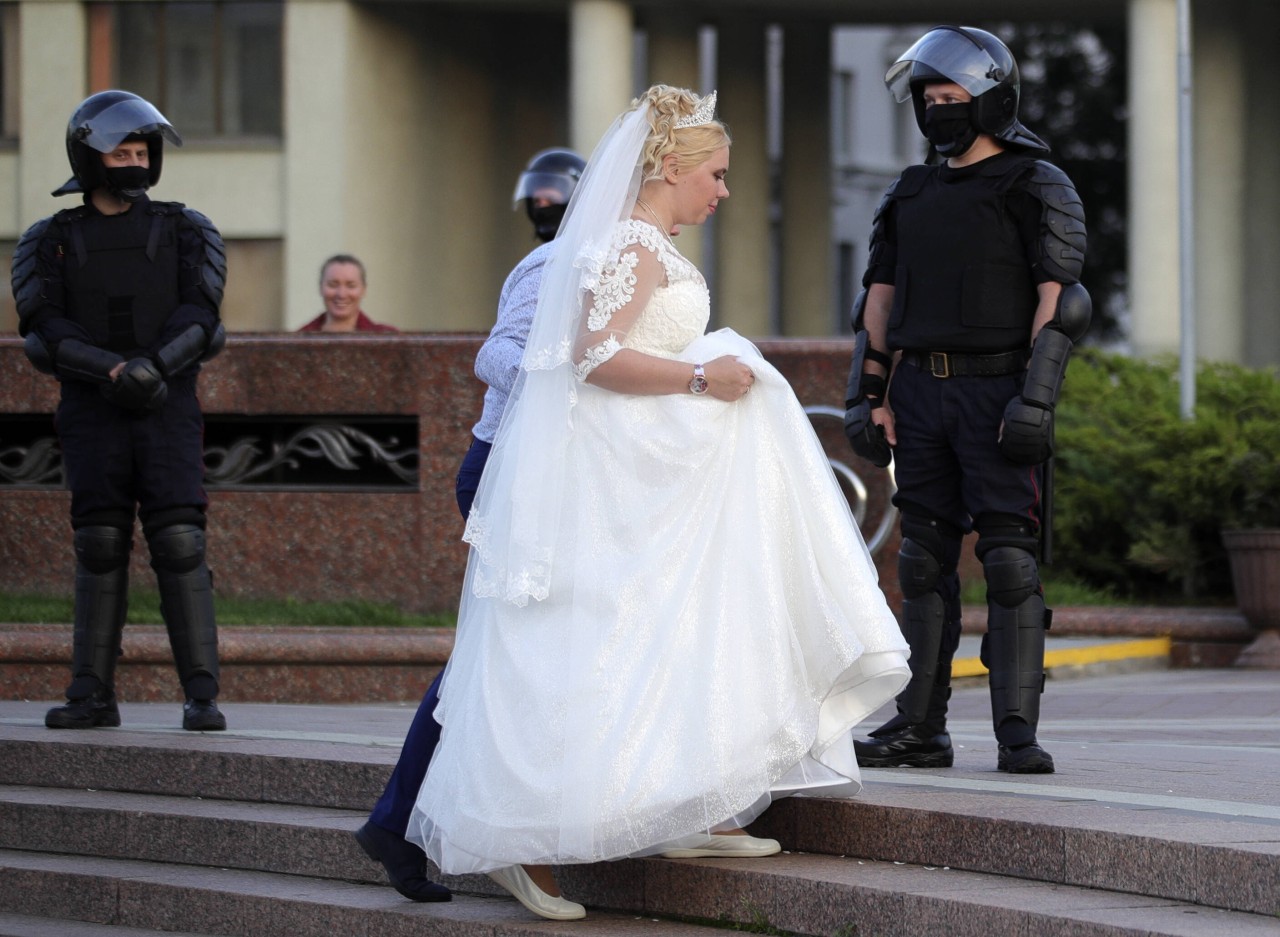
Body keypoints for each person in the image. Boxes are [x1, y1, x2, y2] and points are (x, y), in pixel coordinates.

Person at [404, 85, 911, 922]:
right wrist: (707, 377)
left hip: (645, 470)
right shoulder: (633, 246)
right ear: (670, 169)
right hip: (613, 475)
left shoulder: (641, 244)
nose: (722, 190)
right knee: (597, 639)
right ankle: (527, 847)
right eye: (714, 173)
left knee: (671, 630)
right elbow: (594, 359)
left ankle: (692, 804)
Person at [842, 26, 1090, 775]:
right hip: (920, 393)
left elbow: (1063, 299)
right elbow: (878, 301)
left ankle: (1017, 730)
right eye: (930, 98)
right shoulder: (909, 191)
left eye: (953, 97)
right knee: (921, 560)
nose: (940, 110)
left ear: (991, 98)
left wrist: (1036, 401)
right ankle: (921, 727)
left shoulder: (1036, 183)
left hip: (998, 390)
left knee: (1010, 561)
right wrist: (868, 393)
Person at [353, 147, 586, 904]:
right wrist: (581, 389)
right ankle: (404, 821)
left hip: (530, 471)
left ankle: (401, 822)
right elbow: (500, 354)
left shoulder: (578, 259)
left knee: (506, 658)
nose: (547, 207)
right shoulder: (554, 266)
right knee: (491, 661)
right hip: (509, 471)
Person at [10, 90, 229, 732]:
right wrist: (111, 370)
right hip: (93, 407)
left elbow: (202, 311)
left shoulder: (188, 229)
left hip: (167, 404)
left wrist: (154, 368)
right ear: (89, 157)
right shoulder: (48, 240)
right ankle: (91, 694)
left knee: (181, 543)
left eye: (141, 151)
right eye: (120, 151)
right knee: (100, 544)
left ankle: (201, 694)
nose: (133, 162)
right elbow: (43, 324)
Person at [297, 254, 398, 333]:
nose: (341, 294)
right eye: (333, 285)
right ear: (320, 287)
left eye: (351, 286)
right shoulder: (298, 341)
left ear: (364, 290)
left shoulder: (388, 339)